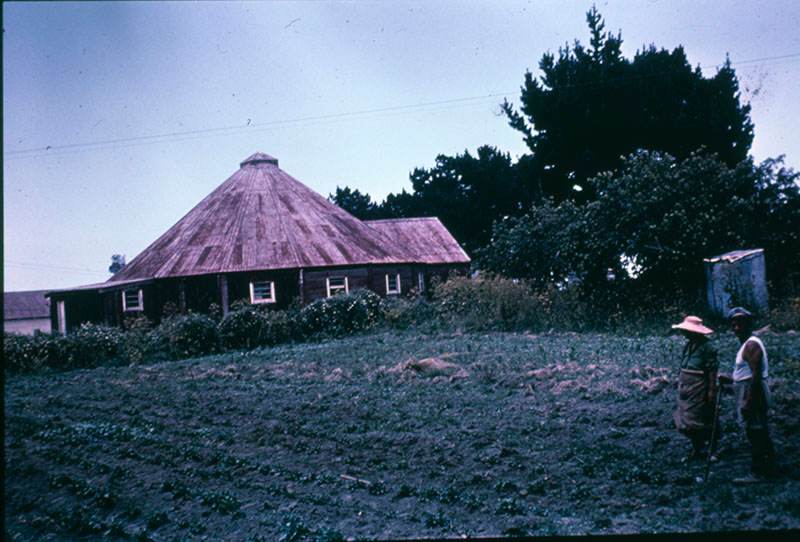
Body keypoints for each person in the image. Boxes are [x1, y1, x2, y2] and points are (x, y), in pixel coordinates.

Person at [718, 307, 775, 480]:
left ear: (749, 325)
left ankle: (759, 472)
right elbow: (747, 374)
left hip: (752, 391)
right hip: (746, 388)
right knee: (756, 431)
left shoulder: (751, 345)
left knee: (756, 431)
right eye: (733, 325)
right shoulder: (746, 344)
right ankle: (767, 468)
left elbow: (756, 376)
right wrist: (730, 379)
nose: (736, 329)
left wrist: (749, 401)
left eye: (740, 325)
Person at [672, 316, 719, 462]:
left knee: (705, 418)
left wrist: (711, 390)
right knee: (687, 420)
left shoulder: (707, 347)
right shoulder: (688, 346)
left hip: (700, 387)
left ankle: (713, 450)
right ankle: (696, 449)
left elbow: (712, 370)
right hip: (687, 388)